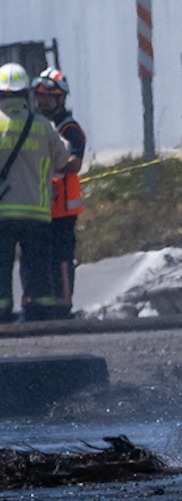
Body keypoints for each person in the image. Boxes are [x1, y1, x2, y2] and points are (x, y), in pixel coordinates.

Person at [0, 63, 67, 323]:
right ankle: (41, 312)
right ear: (25, 93)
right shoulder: (42, 126)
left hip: (2, 213)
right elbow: (63, 163)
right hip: (37, 212)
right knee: (38, 267)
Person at [32, 68, 84, 321]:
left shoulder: (70, 128)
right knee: (41, 256)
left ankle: (64, 303)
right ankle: (42, 302)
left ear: (61, 98)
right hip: (39, 206)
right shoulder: (36, 125)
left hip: (63, 207)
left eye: (48, 97)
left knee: (62, 256)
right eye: (40, 96)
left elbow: (74, 163)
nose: (42, 101)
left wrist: (48, 161)